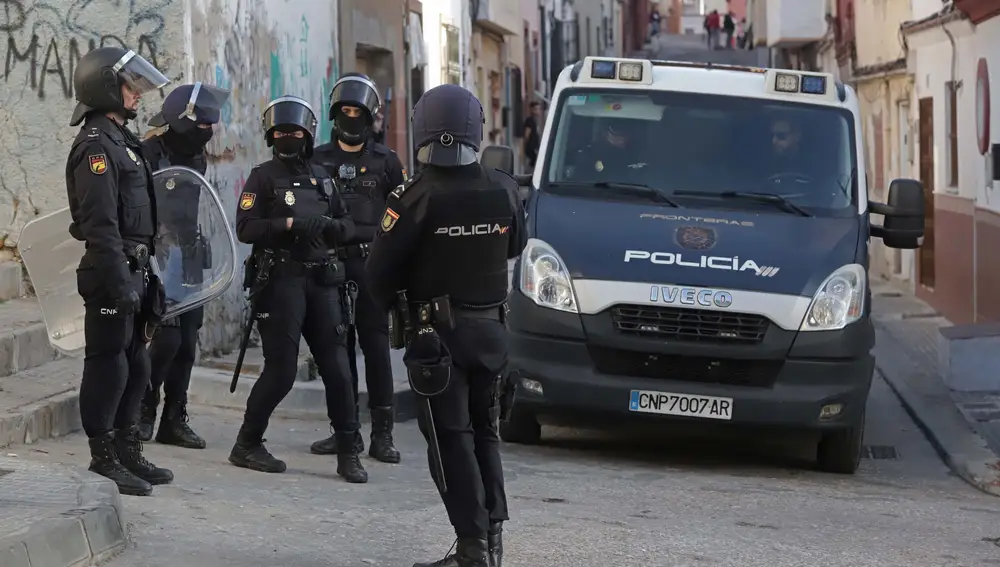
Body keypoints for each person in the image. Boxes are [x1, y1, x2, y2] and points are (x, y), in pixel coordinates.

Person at [364, 83, 527, 567]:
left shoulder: (413, 196)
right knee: (486, 433)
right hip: (493, 333)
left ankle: (473, 550)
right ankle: (490, 541)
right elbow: (515, 245)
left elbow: (377, 273)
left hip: (437, 339)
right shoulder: (504, 188)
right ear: (476, 129)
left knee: (451, 440)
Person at [229, 95, 367, 483]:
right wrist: (288, 226)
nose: (288, 138)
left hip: (322, 280)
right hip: (282, 281)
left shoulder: (323, 177)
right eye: (281, 133)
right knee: (282, 371)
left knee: (339, 369)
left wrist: (327, 226)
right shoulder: (262, 177)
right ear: (273, 137)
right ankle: (247, 443)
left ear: (307, 136)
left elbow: (347, 224)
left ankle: (347, 450)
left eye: (294, 132)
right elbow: (246, 228)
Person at [65, 46, 174, 496]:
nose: (136, 95)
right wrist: (118, 279)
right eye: (130, 86)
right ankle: (102, 455)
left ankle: (129, 448)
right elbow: (99, 224)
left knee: (137, 365)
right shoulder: (94, 146)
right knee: (108, 365)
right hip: (111, 272)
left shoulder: (123, 141)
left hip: (138, 270)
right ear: (106, 86)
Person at [311, 73, 405, 464]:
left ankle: (382, 434)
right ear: (335, 115)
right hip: (330, 265)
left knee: (376, 347)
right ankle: (343, 429)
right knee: (336, 349)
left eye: (358, 112)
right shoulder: (317, 159)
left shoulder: (387, 162)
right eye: (345, 111)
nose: (351, 118)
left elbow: (403, 215)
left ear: (370, 117)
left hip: (372, 266)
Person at [138, 82, 230, 449]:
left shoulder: (196, 157)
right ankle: (145, 407)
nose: (208, 133)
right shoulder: (147, 154)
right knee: (166, 340)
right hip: (160, 257)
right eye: (203, 126)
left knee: (188, 343)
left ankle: (174, 419)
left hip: (189, 255)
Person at [522, 101, 542, 174]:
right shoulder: (530, 120)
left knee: (535, 162)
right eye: (536, 109)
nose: (537, 111)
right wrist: (526, 144)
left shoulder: (535, 121)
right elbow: (527, 134)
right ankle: (528, 173)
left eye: (538, 109)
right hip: (531, 147)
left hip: (535, 147)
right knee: (533, 162)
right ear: (531, 110)